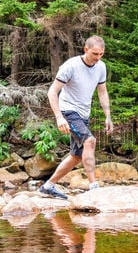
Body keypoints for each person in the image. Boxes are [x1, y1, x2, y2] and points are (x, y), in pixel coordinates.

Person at [39, 35, 113, 199]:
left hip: (83, 114)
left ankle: (48, 186)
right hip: (68, 111)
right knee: (90, 141)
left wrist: (108, 116)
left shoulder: (101, 67)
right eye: (95, 54)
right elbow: (52, 91)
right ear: (86, 49)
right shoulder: (71, 66)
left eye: (101, 54)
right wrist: (59, 117)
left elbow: (102, 92)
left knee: (76, 156)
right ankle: (93, 186)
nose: (98, 58)